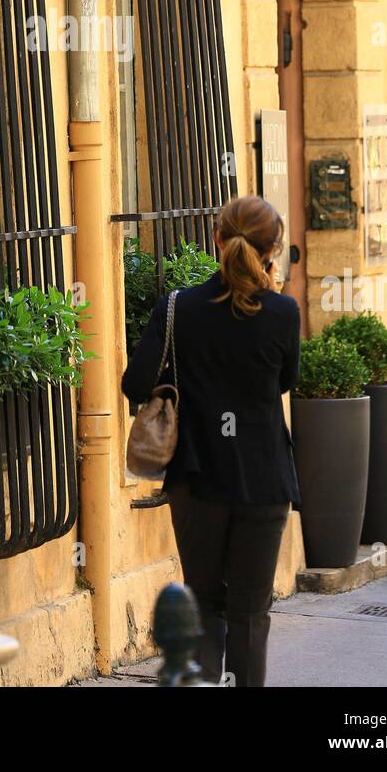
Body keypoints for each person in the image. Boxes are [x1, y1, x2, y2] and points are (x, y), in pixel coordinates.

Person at [122, 195, 301, 687]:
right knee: (250, 611)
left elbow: (135, 383)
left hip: (197, 476)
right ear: (272, 251)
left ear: (217, 240)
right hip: (263, 476)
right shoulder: (283, 313)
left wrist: (181, 386)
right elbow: (285, 380)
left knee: (203, 601)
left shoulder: (177, 308)